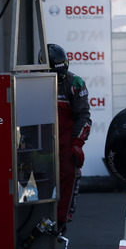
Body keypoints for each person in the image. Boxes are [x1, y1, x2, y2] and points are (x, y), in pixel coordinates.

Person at [39, 43, 91, 234]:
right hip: (39, 142)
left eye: (62, 72)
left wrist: (78, 144)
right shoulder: (29, 79)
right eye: (55, 73)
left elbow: (84, 116)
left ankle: (60, 223)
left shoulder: (75, 82)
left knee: (71, 174)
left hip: (65, 141)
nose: (60, 77)